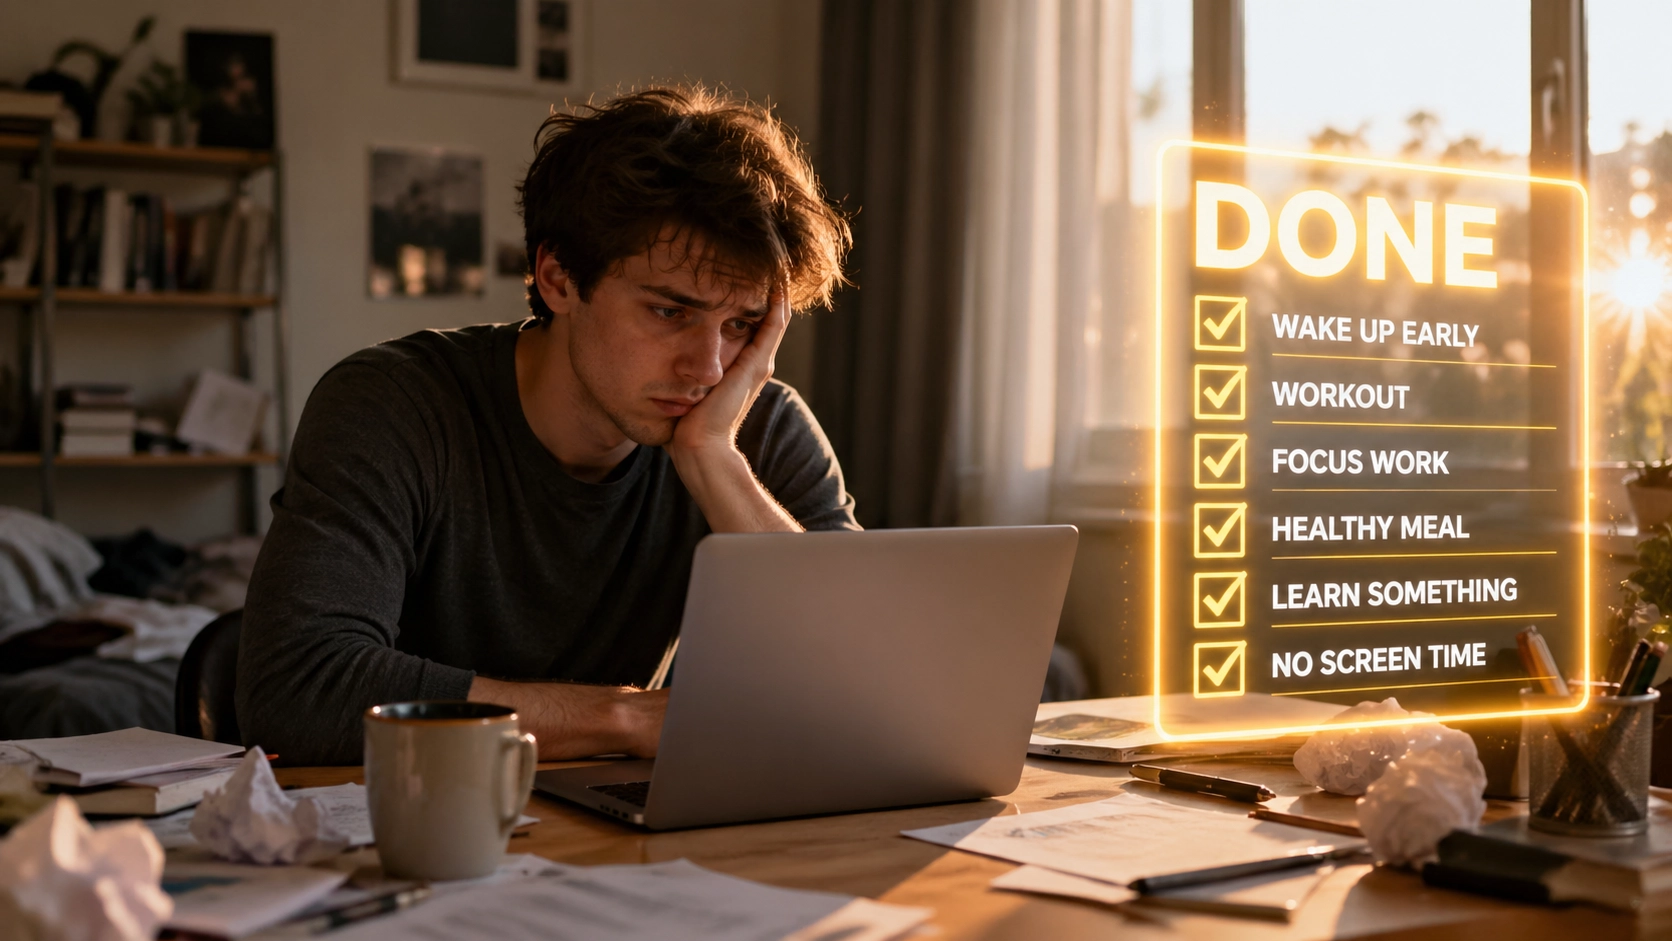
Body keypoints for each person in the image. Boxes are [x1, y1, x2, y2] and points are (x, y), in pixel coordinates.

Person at [237, 86, 857, 765]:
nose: (708, 367)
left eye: (741, 325)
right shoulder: (392, 405)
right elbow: (298, 688)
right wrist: (622, 716)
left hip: (624, 845)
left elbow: (867, 686)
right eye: (670, 312)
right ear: (558, 278)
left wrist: (713, 459)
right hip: (406, 824)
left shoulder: (752, 428)